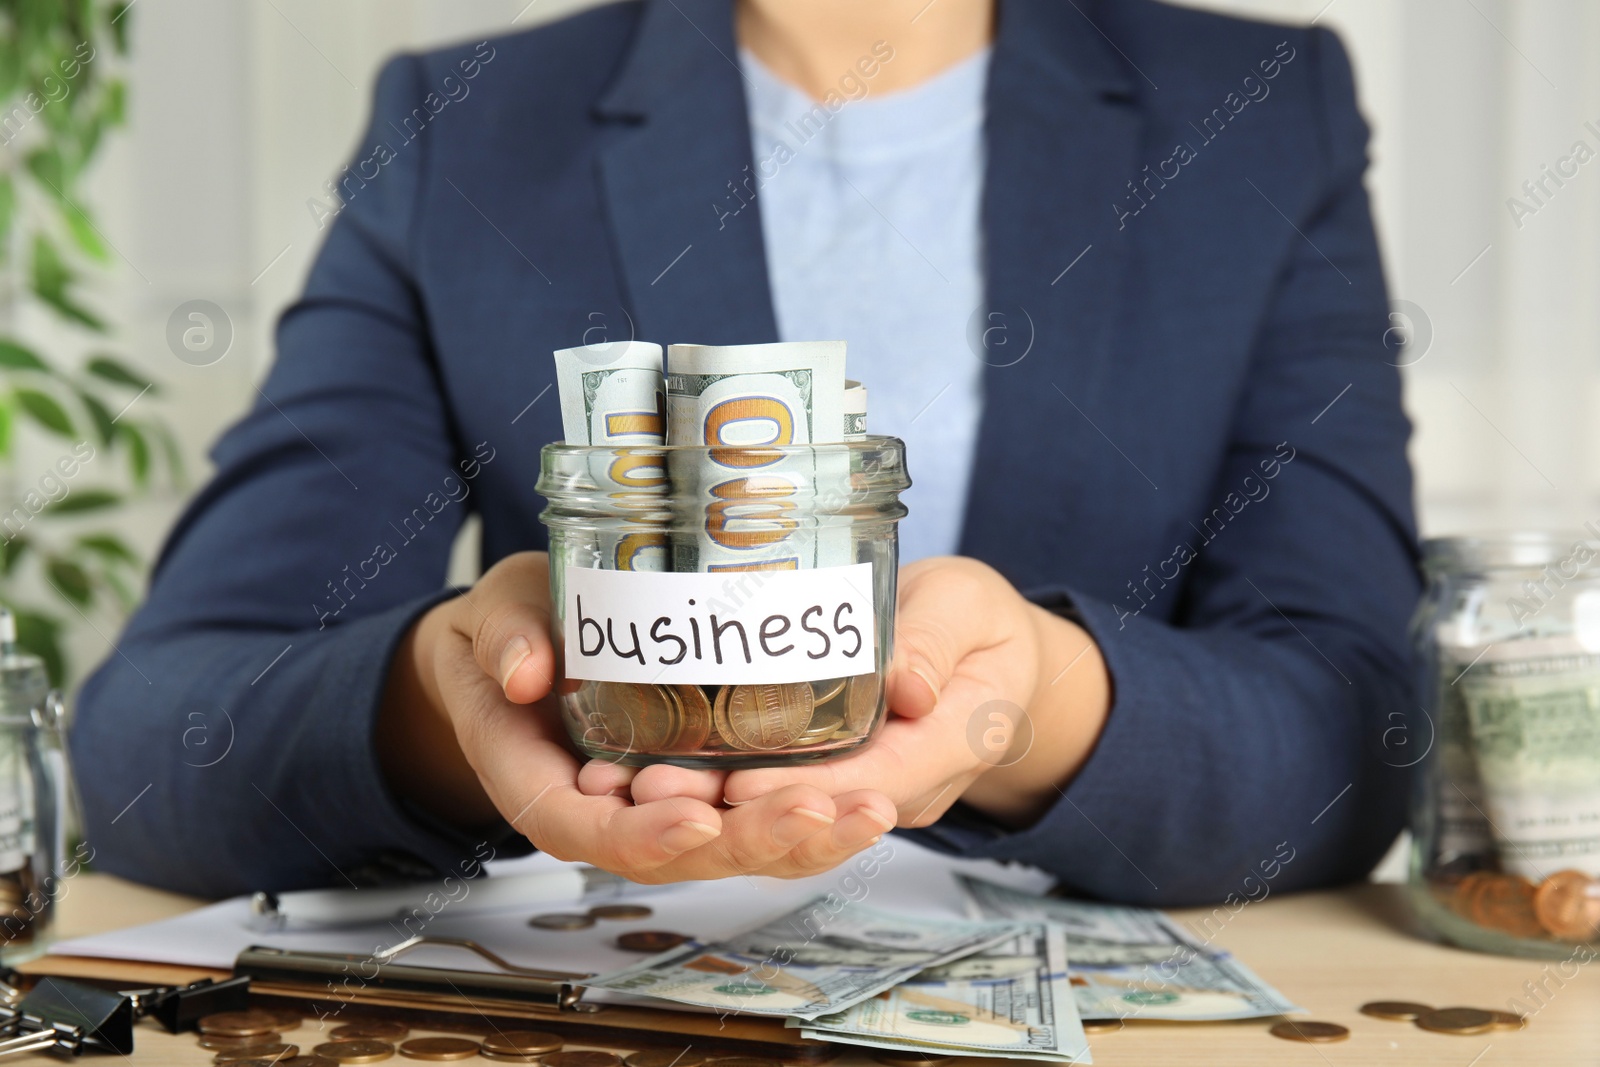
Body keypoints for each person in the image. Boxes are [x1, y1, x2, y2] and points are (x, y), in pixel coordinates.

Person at [70, 0, 1420, 904]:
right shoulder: (468, 127)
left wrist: (1031, 704)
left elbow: (1361, 724)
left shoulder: (1256, 106)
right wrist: (451, 703)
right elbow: (152, 740)